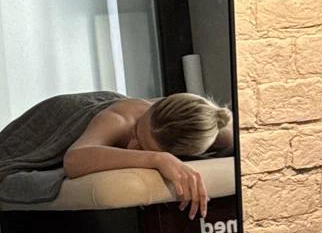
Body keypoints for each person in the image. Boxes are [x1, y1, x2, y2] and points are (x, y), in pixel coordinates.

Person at [64, 92, 233, 221]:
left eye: (142, 147)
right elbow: (73, 161)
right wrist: (156, 158)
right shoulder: (120, 118)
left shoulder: (215, 128)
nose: (131, 146)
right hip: (65, 113)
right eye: (135, 132)